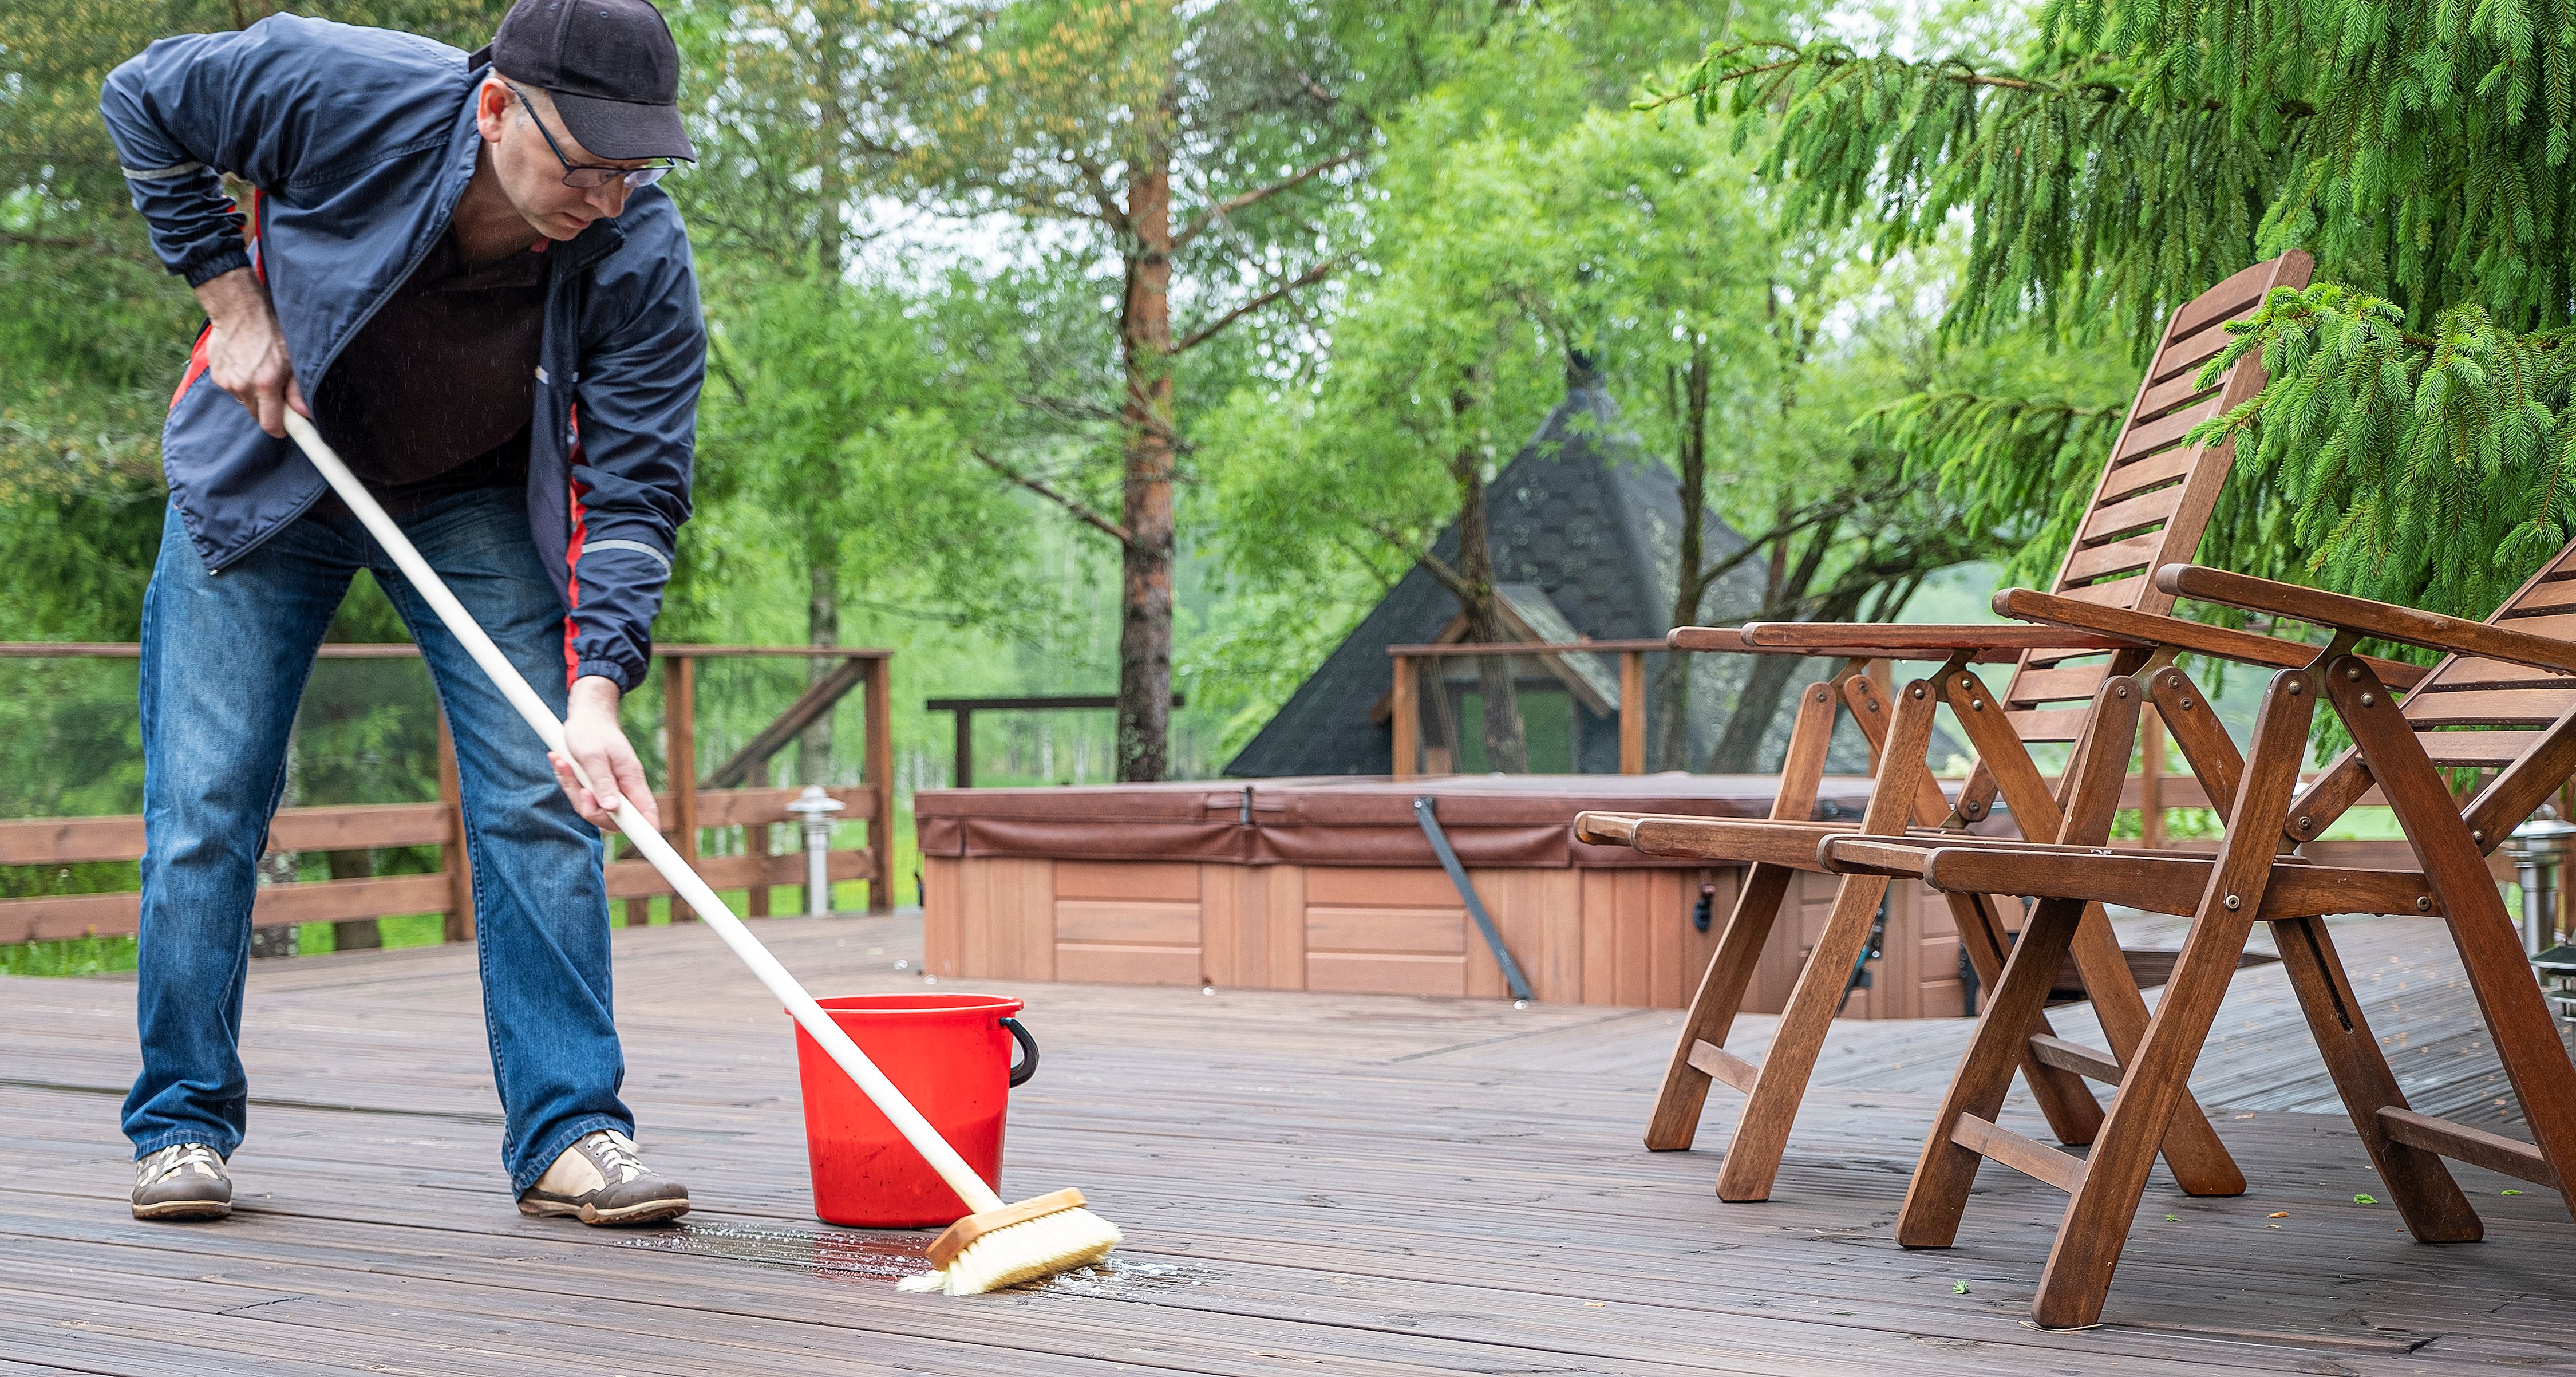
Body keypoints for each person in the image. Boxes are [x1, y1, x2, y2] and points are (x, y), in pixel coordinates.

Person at [99, 0, 705, 1226]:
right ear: (498, 110)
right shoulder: (335, 88)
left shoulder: (637, 250)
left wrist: (595, 695)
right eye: (587, 165)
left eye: (636, 169)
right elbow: (143, 99)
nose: (611, 198)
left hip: (467, 495)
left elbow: (633, 487)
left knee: (545, 789)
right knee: (207, 803)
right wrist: (232, 299)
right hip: (276, 466)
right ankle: (179, 1126)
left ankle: (569, 1128)